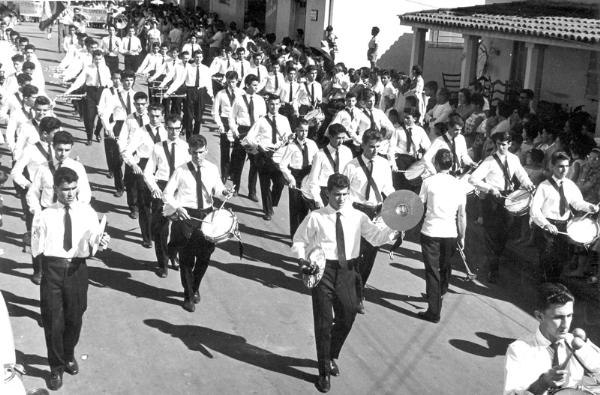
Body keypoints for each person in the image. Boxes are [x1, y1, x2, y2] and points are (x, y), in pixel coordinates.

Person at [292, 173, 398, 393]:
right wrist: (302, 260)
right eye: (336, 194)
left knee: (348, 315)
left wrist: (393, 230)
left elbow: (376, 237)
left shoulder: (358, 217)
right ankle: (323, 374)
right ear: (327, 193)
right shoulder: (316, 217)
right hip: (323, 271)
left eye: (344, 194)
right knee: (323, 323)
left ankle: (331, 354)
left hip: (348, 271)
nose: (340, 199)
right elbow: (299, 240)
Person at [31, 166, 110, 391]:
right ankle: (55, 368)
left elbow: (94, 236)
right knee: (53, 321)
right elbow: (37, 248)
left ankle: (68, 355)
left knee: (75, 317)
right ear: (56, 189)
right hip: (53, 270)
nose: (70, 193)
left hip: (77, 269)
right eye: (65, 189)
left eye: (74, 188)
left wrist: (101, 241)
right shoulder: (45, 215)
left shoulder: (87, 211)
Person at [163, 135, 233, 312]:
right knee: (187, 259)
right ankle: (188, 296)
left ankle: (194, 287)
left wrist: (225, 192)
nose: (198, 156)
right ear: (189, 152)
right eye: (194, 153)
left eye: (201, 153)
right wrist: (178, 207)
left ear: (206, 151)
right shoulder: (181, 171)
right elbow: (167, 194)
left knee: (204, 257)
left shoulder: (212, 168)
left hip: (207, 216)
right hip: (186, 215)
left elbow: (217, 189)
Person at [504, 283, 600, 394]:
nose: (565, 325)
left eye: (569, 316)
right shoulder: (519, 350)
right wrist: (543, 383)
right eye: (558, 317)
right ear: (539, 316)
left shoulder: (573, 341)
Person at [469, 131, 534, 283]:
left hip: (509, 198)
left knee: (504, 232)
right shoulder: (489, 161)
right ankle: (493, 269)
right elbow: (473, 178)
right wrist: (490, 188)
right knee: (492, 232)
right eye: (498, 144)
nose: (501, 147)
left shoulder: (514, 158)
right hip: (492, 198)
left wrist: (528, 183)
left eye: (504, 144)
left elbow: (522, 175)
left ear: (509, 144)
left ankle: (495, 258)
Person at [343, 129, 395, 313]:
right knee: (355, 255)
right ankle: (355, 294)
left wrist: (393, 206)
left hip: (377, 213)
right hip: (356, 212)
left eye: (378, 147)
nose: (375, 151)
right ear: (363, 145)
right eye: (371, 147)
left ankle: (359, 290)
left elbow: (388, 188)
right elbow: (344, 193)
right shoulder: (351, 166)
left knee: (370, 256)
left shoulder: (383, 164)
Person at [530, 151, 599, 282]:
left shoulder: (570, 185)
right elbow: (534, 210)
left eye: (567, 166)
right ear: (552, 166)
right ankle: (545, 287)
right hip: (546, 227)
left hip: (563, 226)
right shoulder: (544, 186)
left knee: (560, 259)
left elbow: (577, 203)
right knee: (547, 259)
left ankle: (553, 286)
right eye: (560, 166)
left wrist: (589, 207)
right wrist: (546, 224)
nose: (564, 170)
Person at [418, 149, 466, 323]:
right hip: (450, 233)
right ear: (451, 165)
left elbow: (418, 206)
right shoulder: (459, 185)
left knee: (432, 271)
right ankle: (440, 293)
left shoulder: (428, 182)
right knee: (444, 267)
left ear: (436, 164)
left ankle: (434, 311)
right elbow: (462, 215)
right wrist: (462, 236)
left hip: (430, 231)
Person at [144, 114, 190, 278]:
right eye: (170, 128)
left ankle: (173, 251)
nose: (173, 132)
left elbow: (191, 170)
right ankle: (163, 264)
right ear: (166, 128)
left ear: (181, 129)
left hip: (179, 189)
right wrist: (154, 187)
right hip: (162, 187)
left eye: (177, 128)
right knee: (160, 230)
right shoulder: (157, 147)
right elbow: (148, 172)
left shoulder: (185, 147)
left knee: (183, 230)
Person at [122, 101, 167, 248]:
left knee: (159, 205)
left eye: (157, 116)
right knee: (145, 204)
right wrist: (133, 164)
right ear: (148, 115)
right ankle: (147, 238)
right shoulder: (141, 131)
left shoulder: (166, 132)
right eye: (152, 116)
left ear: (162, 116)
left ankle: (154, 231)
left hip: (159, 169)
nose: (154, 119)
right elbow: (127, 151)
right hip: (143, 167)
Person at [243, 94, 292, 220]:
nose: (274, 107)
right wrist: (259, 146)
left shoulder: (284, 120)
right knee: (265, 185)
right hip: (264, 156)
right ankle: (268, 211)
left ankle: (272, 202)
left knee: (280, 183)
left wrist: (288, 139)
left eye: (276, 104)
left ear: (280, 105)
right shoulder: (261, 121)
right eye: (271, 104)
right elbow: (248, 138)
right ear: (267, 104)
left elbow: (288, 136)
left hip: (279, 156)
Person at [98, 69, 137, 197]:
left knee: (131, 158)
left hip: (132, 127)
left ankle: (128, 184)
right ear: (122, 81)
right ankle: (119, 187)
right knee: (117, 160)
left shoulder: (137, 96)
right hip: (119, 126)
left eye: (131, 80)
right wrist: (108, 129)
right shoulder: (115, 97)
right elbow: (105, 113)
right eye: (126, 80)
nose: (129, 83)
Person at [279, 119, 319, 237]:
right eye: (301, 130)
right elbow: (283, 165)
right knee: (295, 209)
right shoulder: (291, 146)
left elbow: (318, 159)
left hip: (308, 178)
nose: (304, 133)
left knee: (305, 208)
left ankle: (302, 234)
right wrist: (290, 178)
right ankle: (294, 236)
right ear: (296, 131)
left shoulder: (312, 144)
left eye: (306, 131)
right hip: (296, 178)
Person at [228, 74, 266, 200]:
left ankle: (252, 192)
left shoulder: (260, 100)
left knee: (255, 164)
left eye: (257, 85)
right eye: (254, 85)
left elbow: (263, 119)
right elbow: (231, 117)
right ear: (247, 85)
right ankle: (235, 188)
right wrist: (235, 131)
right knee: (238, 162)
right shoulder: (238, 99)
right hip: (242, 132)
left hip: (254, 134)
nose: (256, 87)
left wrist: (261, 135)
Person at [64, 49, 111, 145]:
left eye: (100, 59)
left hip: (102, 93)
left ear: (102, 59)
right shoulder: (88, 68)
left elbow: (109, 82)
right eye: (96, 59)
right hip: (91, 93)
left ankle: (97, 132)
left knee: (103, 116)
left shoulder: (106, 69)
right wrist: (68, 91)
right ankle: (89, 137)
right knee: (89, 117)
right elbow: (79, 81)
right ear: (93, 59)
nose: (98, 61)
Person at [166, 50, 213, 138]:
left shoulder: (206, 69)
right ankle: (189, 137)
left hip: (201, 92)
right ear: (193, 58)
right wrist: (169, 91)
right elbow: (179, 81)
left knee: (198, 117)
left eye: (200, 57)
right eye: (196, 57)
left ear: (202, 58)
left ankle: (196, 135)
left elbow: (208, 83)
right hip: (190, 91)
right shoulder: (188, 67)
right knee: (189, 116)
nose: (198, 59)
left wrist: (211, 95)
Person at [306, 123, 353, 209]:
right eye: (338, 138)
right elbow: (313, 178)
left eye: (343, 138)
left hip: (342, 191)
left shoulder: (347, 152)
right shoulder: (320, 154)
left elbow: (350, 174)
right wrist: (317, 199)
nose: (341, 141)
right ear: (330, 137)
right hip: (326, 192)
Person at [212, 70, 241, 182]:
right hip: (225, 121)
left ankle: (233, 172)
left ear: (237, 81)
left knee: (237, 150)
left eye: (233, 82)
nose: (231, 85)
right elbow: (214, 112)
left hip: (237, 122)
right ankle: (224, 174)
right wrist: (220, 125)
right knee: (225, 149)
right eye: (228, 82)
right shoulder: (221, 94)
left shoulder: (241, 93)